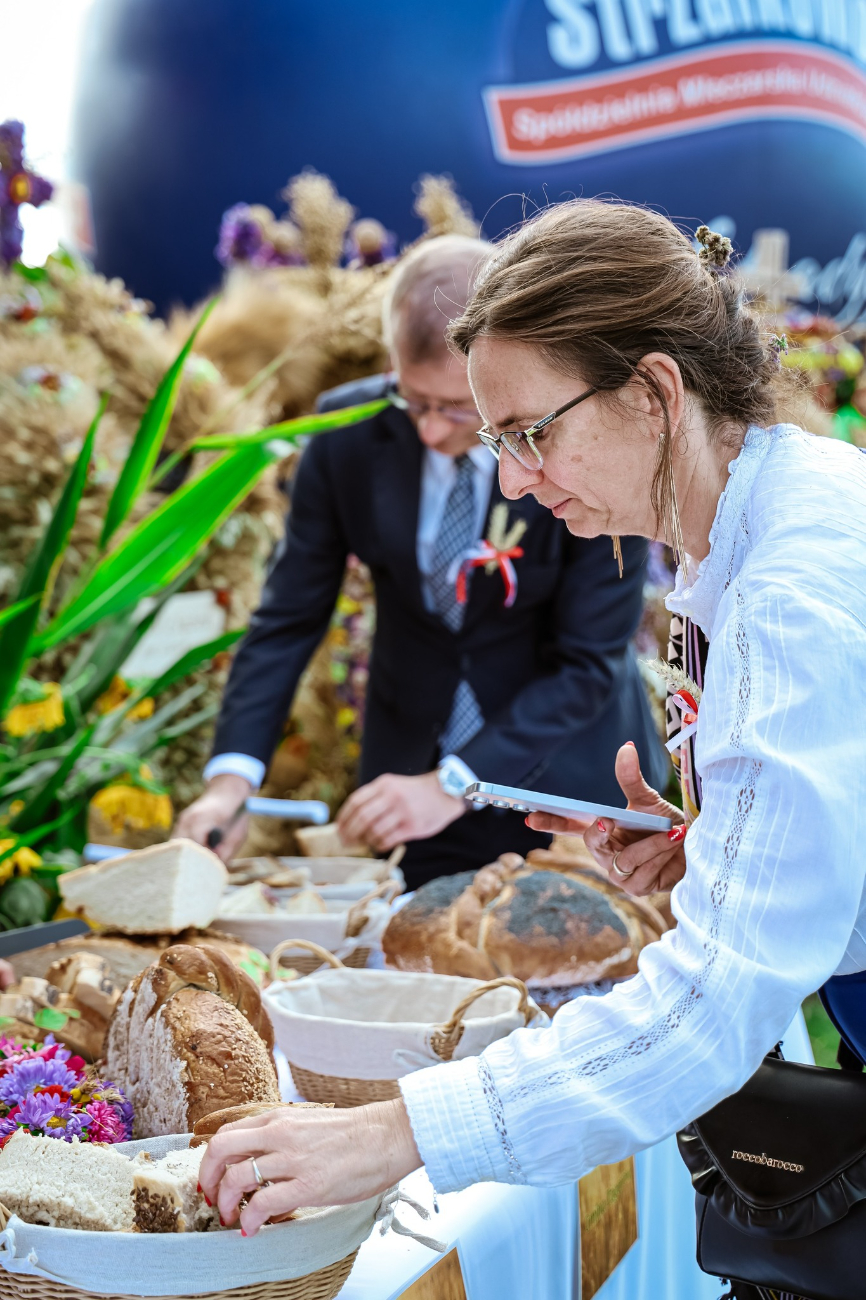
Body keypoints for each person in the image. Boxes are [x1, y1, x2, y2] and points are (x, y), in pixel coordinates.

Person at [198, 199, 866, 1234]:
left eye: (528, 433)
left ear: (653, 391)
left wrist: (392, 1134)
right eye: (493, 437)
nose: (509, 477)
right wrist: (723, 845)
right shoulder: (775, 502)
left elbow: (711, 1003)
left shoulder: (786, 591)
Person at [176, 233, 665, 887]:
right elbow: (288, 617)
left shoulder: (580, 445)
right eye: (414, 400)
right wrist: (231, 781)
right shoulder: (344, 433)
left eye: (457, 408)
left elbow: (588, 662)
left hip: (565, 790)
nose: (430, 429)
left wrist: (457, 781)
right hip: (409, 780)